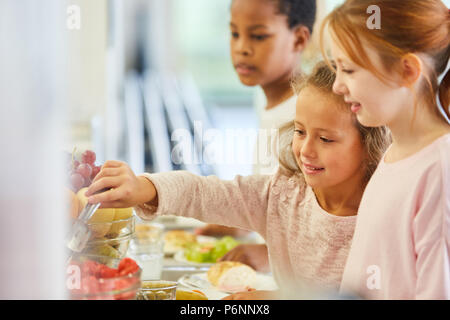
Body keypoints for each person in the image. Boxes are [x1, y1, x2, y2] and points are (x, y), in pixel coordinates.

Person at [84, 62, 390, 300]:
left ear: (370, 144)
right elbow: (204, 192)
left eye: (325, 138)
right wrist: (142, 187)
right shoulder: (283, 194)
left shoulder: (385, 213)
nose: (306, 150)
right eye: (299, 131)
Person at [321, 0, 450, 299]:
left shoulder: (439, 170)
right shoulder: (395, 153)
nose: (337, 86)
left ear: (407, 70)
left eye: (349, 70)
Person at [196, 0, 317, 269]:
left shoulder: (309, 115)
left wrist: (268, 253)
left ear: (298, 39)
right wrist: (242, 220)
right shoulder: (264, 99)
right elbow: (279, 201)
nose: (241, 48)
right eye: (234, 33)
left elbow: (328, 219)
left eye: (259, 36)